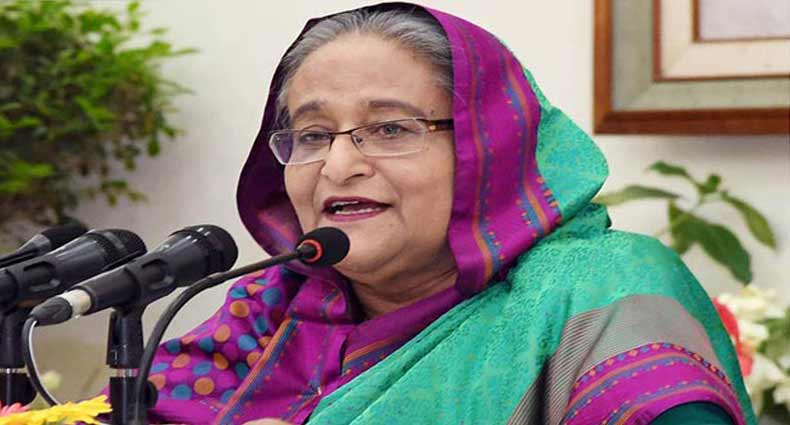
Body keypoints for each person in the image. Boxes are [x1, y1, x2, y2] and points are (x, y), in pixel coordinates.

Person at [144, 3, 756, 424]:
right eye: (311, 135)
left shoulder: (598, 296)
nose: (338, 165)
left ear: (489, 147)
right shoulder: (268, 312)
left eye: (389, 128)